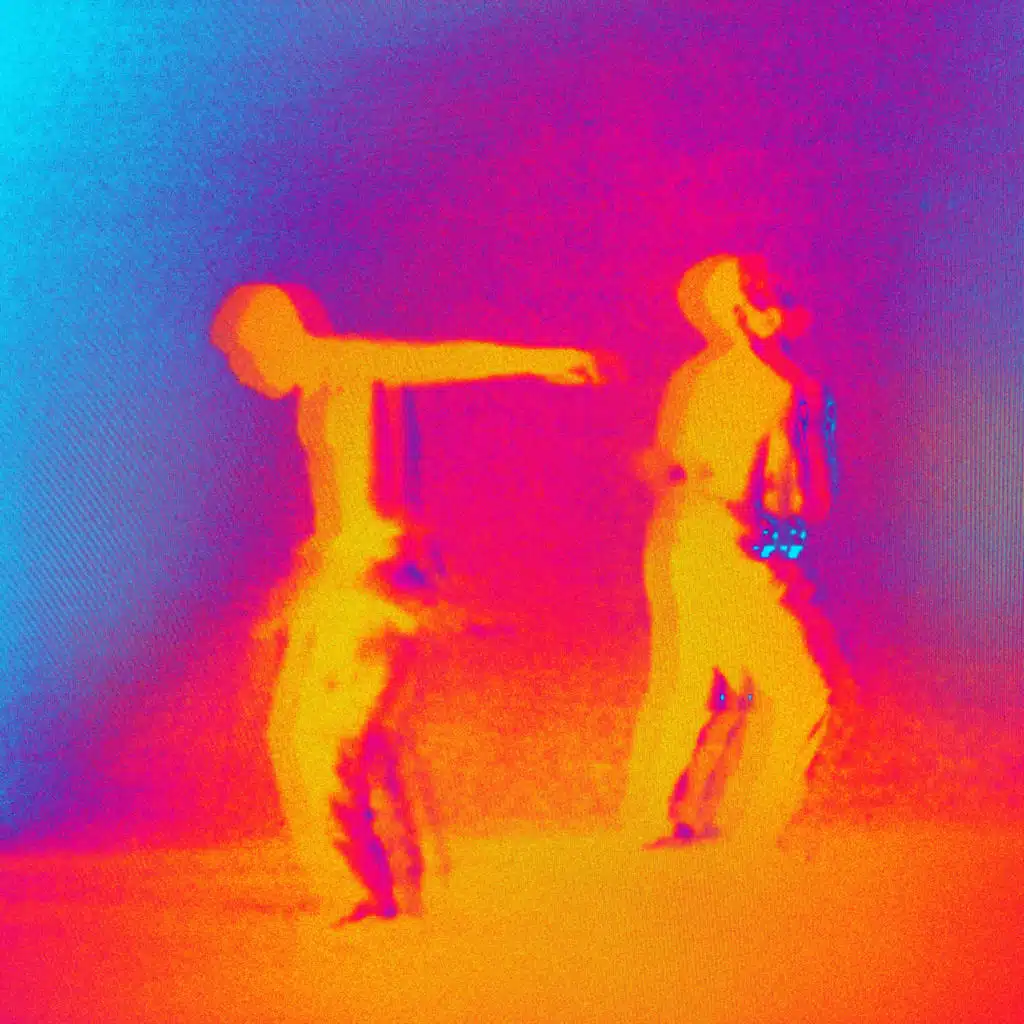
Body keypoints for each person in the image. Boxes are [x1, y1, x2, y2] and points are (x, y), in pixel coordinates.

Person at [211, 284, 602, 923]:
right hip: (355, 569)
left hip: (369, 571)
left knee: (313, 738)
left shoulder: (343, 364)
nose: (242, 374)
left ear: (269, 337)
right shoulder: (324, 385)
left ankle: (361, 891)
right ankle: (382, 883)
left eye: (241, 356)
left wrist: (537, 360)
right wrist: (305, 580)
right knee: (330, 735)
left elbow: (435, 360)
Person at [622, 254, 840, 853]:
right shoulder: (758, 385)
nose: (777, 302)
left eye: (773, 291)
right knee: (795, 692)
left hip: (699, 545)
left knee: (704, 688)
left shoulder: (726, 380)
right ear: (735, 310)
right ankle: (751, 831)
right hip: (715, 550)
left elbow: (771, 494)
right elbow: (768, 495)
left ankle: (664, 817)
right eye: (759, 293)